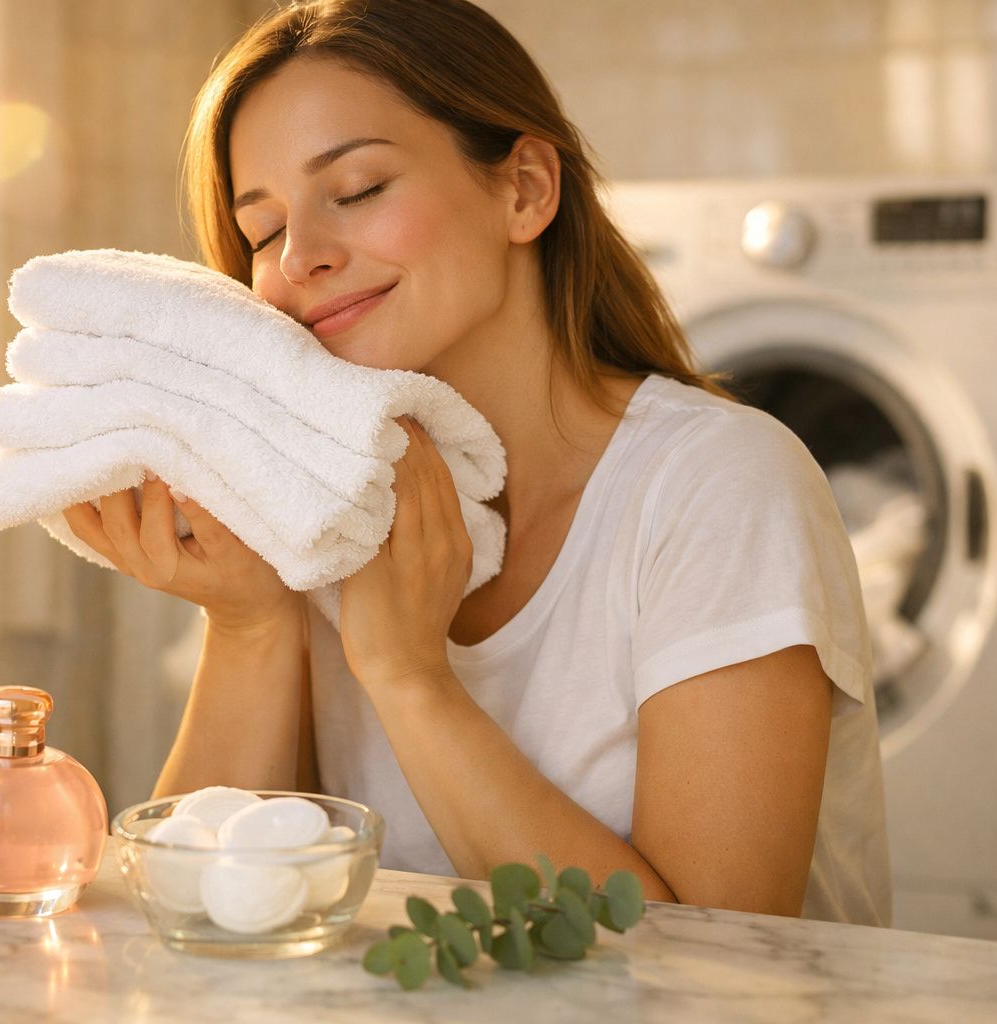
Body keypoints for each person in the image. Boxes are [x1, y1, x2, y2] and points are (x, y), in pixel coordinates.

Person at [62, 0, 890, 925]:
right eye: (261, 233)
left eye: (361, 188)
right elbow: (206, 917)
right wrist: (251, 621)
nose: (299, 257)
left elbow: (720, 959)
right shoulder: (319, 500)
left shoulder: (720, 486)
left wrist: (409, 676)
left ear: (527, 189)